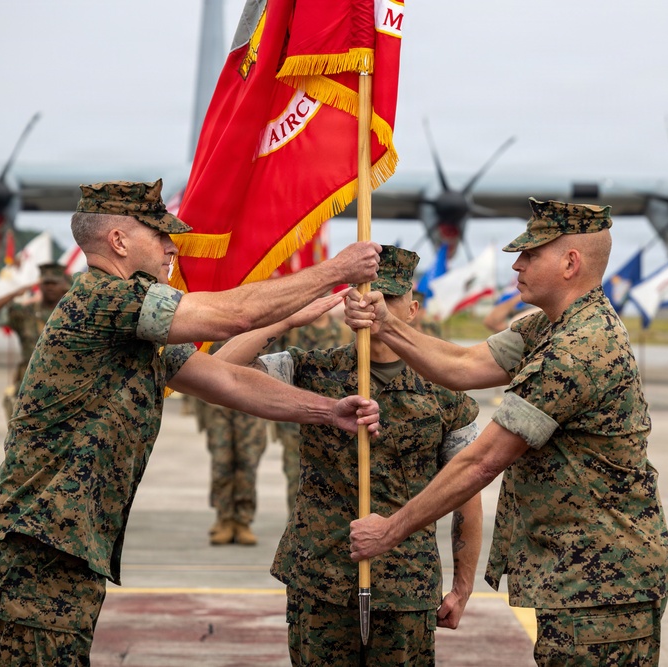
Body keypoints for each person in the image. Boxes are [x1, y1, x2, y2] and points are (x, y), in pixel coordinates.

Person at [0, 179, 382, 667]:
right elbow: (231, 316)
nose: (172, 247)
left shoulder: (132, 322)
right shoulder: (106, 299)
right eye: (160, 234)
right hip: (36, 548)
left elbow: (226, 379)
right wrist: (336, 270)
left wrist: (323, 409)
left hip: (61, 546)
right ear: (119, 241)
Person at [345, 200, 668, 667]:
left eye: (531, 254)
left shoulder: (579, 349)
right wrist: (388, 325)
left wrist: (389, 530)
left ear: (570, 263)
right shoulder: (551, 327)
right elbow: (461, 366)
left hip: (603, 588)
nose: (516, 263)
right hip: (584, 580)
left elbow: (483, 461)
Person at [215, 246, 483, 666]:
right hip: (321, 577)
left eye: (387, 298)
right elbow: (221, 368)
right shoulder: (313, 369)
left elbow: (467, 490)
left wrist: (463, 585)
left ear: (411, 309)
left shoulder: (444, 389)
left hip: (405, 585)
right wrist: (285, 319)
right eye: (361, 294)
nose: (371, 305)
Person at [268, 300, 352, 516]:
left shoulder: (343, 332)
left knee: (335, 481)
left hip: (337, 422)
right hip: (296, 421)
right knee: (295, 476)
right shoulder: (295, 333)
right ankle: (296, 522)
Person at [195, 340, 268, 546]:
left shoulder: (260, 313)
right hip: (217, 403)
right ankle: (224, 518)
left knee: (248, 462)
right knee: (221, 462)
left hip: (252, 399)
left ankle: (242, 521)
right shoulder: (213, 311)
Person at [0, 262, 72, 421]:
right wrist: (13, 294)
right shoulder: (25, 313)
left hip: (65, 393)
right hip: (30, 393)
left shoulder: (74, 314)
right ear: (39, 285)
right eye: (46, 283)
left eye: (54, 283)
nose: (50, 287)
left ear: (64, 284)